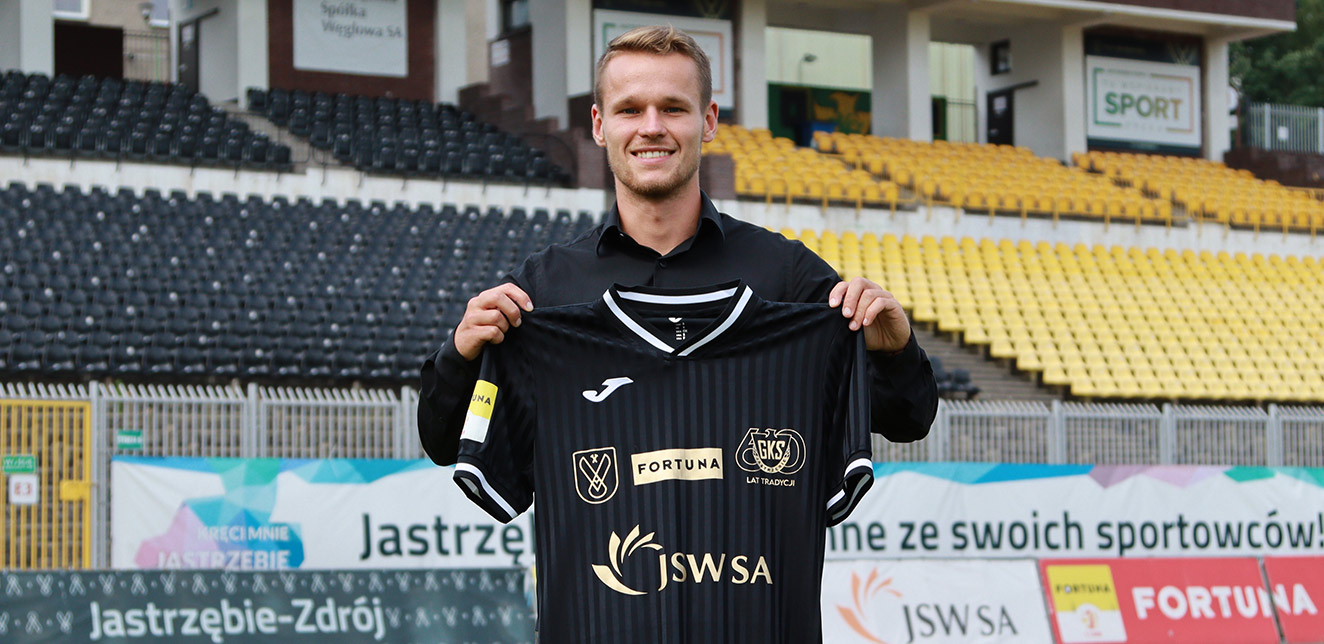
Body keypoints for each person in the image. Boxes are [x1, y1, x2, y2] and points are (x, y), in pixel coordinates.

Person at [420, 24, 935, 468]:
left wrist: (895, 351)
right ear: (599, 125)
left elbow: (908, 420)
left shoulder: (788, 275)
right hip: (601, 559)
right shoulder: (545, 290)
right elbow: (444, 443)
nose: (651, 128)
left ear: (708, 121)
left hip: (755, 559)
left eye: (672, 108)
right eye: (629, 110)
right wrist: (460, 356)